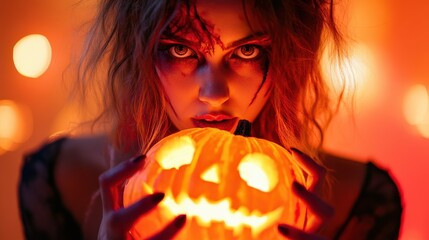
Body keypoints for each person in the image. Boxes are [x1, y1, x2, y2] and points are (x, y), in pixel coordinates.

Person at [18, 0, 403, 239]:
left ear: (289, 56)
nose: (214, 92)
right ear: (141, 53)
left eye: (248, 51)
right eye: (181, 50)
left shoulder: (362, 201)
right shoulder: (59, 180)